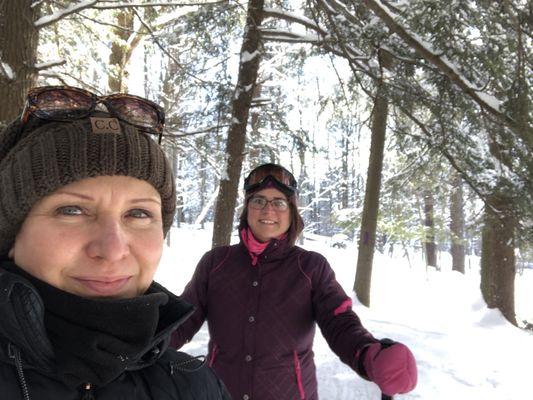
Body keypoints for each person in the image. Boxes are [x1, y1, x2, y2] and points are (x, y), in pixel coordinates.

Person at [0, 85, 230, 399]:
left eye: (138, 213)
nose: (113, 249)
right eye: (72, 210)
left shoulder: (193, 387)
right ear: (11, 235)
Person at [171, 163, 417, 400]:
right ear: (247, 209)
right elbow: (181, 322)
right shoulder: (216, 263)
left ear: (291, 211)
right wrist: (143, 343)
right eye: (258, 201)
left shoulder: (311, 267)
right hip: (220, 393)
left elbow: (339, 322)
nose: (268, 210)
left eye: (279, 202)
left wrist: (369, 354)